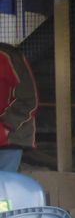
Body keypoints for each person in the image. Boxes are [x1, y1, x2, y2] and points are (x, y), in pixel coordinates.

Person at [0, 43, 38, 173]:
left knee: (4, 189)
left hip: (9, 139)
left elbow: (29, 99)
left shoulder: (9, 55)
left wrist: (5, 127)